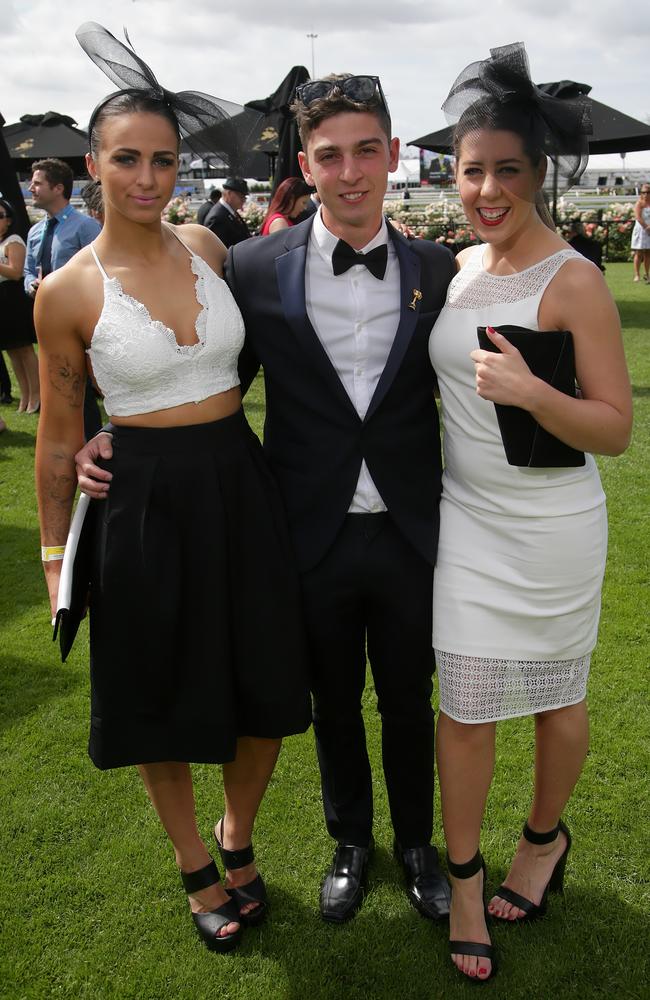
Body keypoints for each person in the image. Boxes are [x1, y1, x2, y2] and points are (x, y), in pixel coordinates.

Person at [78, 72, 457, 926]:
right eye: (330, 154)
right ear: (306, 164)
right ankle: (350, 844)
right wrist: (116, 434)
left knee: (408, 696)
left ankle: (416, 846)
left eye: (367, 150)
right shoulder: (250, 266)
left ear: (394, 156)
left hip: (412, 530)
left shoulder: (439, 266)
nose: (351, 170)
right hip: (298, 531)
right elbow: (205, 375)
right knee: (326, 703)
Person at [36, 21, 311, 953]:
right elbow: (58, 433)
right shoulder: (67, 291)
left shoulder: (208, 244)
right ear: (93, 162)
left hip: (241, 479)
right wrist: (50, 552)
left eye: (162, 160)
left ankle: (239, 831)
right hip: (141, 502)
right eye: (127, 160)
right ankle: (196, 859)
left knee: (266, 673)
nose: (148, 178)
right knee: (155, 682)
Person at [429, 44, 632, 982]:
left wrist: (529, 391)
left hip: (553, 526)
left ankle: (543, 842)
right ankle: (464, 877)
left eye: (508, 170)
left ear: (540, 173)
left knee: (558, 697)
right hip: (465, 521)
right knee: (465, 704)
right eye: (472, 171)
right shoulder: (456, 267)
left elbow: (615, 428)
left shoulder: (576, 279)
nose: (487, 188)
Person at [25, 158, 103, 437]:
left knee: (80, 392)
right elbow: (27, 270)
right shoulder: (35, 231)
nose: (30, 188)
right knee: (61, 389)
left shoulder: (85, 227)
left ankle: (95, 445)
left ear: (58, 188)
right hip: (48, 323)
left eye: (37, 183)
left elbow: (100, 271)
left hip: (82, 323)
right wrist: (31, 285)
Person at [0, 197, 40, 413]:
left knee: (24, 349)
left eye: (0, 216)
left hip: (13, 299)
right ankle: (25, 396)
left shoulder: (13, 240)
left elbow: (16, 272)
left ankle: (37, 395)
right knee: (12, 352)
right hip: (2, 300)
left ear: (8, 220)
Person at [204, 178, 251, 246]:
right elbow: (217, 249)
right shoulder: (217, 217)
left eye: (245, 197)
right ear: (229, 194)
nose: (243, 200)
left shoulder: (230, 211)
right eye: (241, 197)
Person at [631, 182, 650, 282]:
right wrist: (647, 227)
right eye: (643, 192)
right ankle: (637, 274)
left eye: (648, 192)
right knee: (639, 253)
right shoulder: (639, 203)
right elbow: (638, 217)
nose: (646, 194)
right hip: (642, 230)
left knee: (648, 253)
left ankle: (647, 274)